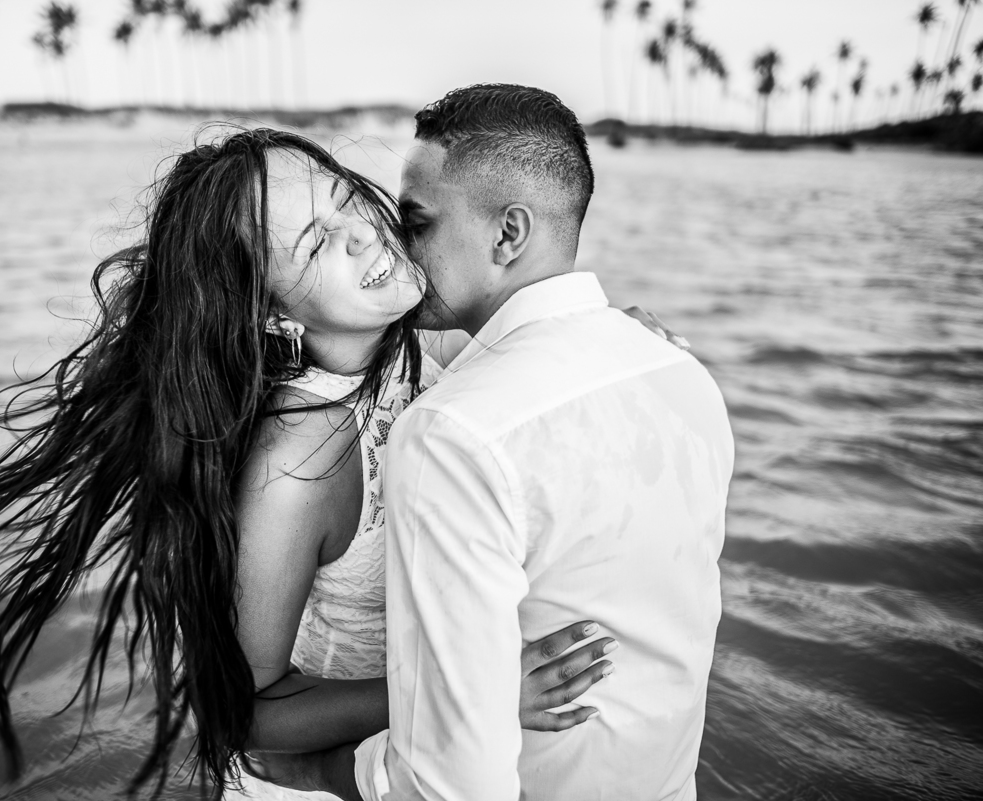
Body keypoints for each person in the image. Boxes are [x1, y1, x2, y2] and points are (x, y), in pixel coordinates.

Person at [0, 128, 628, 800]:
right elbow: (241, 712)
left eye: (345, 200)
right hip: (317, 780)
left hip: (418, 760)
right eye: (317, 244)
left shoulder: (410, 340)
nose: (362, 233)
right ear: (274, 315)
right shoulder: (297, 465)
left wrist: (604, 340)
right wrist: (468, 692)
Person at [283, 84, 736, 800]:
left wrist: (321, 773)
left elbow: (449, 785)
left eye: (417, 220)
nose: (395, 243)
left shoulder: (453, 433)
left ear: (508, 234)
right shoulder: (682, 374)